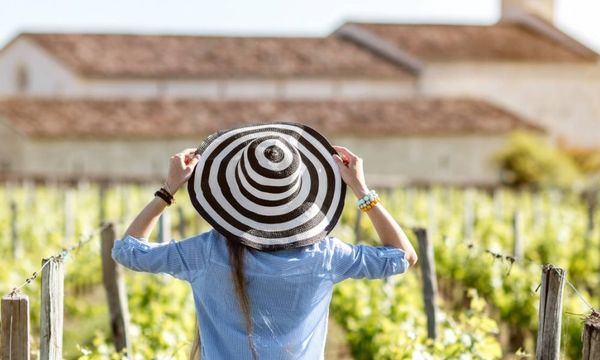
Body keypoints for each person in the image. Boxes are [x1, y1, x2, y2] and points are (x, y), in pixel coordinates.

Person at [112, 122, 418, 360]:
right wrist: (362, 191)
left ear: (232, 196)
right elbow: (404, 256)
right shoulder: (324, 256)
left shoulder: (206, 252)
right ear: (303, 195)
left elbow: (127, 251)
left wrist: (168, 189)